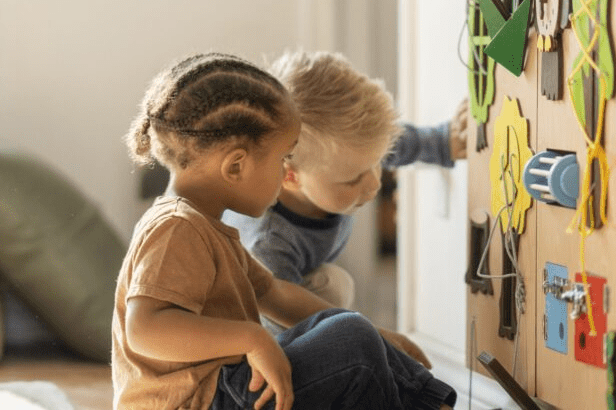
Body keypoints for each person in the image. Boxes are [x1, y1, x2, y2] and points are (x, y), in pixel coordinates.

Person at [113, 52, 457, 410]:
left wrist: (378, 337)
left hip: (225, 388)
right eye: (282, 160)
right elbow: (145, 330)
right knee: (350, 340)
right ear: (236, 166)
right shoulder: (176, 227)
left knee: (344, 325)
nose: (285, 175)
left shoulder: (208, 225)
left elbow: (274, 292)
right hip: (195, 400)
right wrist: (252, 338)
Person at [223, 50, 467, 310]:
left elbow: (389, 142)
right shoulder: (268, 244)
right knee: (334, 290)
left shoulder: (342, 157)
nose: (374, 184)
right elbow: (281, 317)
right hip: (246, 310)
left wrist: (442, 142)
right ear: (289, 176)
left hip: (300, 269)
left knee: (334, 284)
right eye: (353, 180)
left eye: (377, 162)